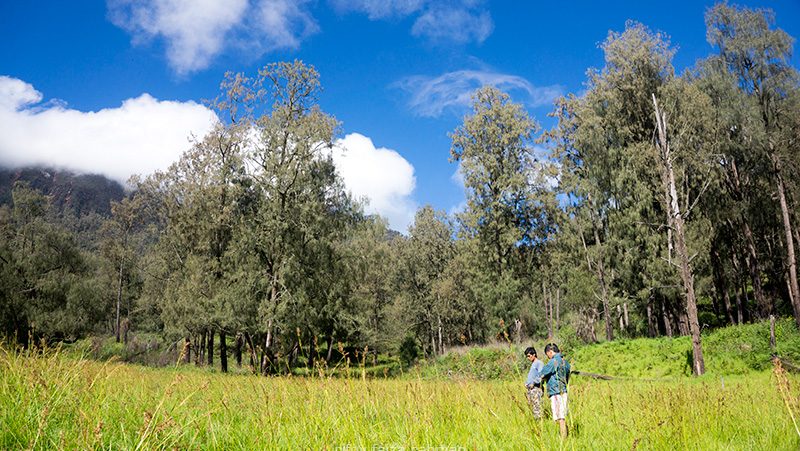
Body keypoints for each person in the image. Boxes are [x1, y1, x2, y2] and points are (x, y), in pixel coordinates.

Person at [540, 343, 571, 438]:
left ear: (550, 352)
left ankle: (563, 438)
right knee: (562, 416)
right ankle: (565, 435)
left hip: (556, 392)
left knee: (560, 418)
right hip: (563, 391)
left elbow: (543, 372)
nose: (548, 357)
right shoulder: (565, 362)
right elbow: (567, 376)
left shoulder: (553, 361)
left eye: (547, 355)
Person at [524, 347, 544, 419]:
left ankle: (539, 421)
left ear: (534, 354)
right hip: (530, 389)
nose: (528, 358)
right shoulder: (533, 364)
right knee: (532, 406)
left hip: (536, 388)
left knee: (537, 407)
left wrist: (534, 383)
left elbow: (541, 375)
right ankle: (536, 421)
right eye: (527, 356)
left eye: (529, 356)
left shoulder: (539, 363)